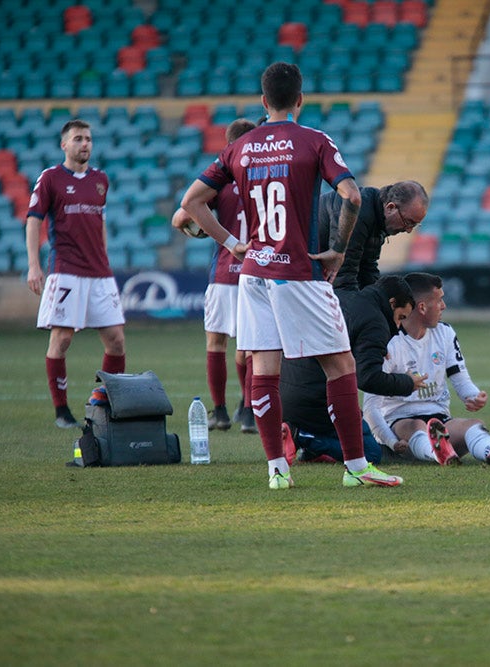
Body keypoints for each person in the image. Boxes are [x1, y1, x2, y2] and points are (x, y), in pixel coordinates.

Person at [180, 61, 402, 490]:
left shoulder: (239, 147)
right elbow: (352, 194)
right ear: (300, 100)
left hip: (253, 273)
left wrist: (230, 243)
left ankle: (276, 471)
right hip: (297, 271)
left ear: (264, 102)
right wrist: (338, 249)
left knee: (264, 367)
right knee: (341, 364)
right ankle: (357, 469)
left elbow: (192, 201)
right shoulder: (314, 141)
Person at [363, 272, 490, 466]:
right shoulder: (389, 342)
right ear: (422, 307)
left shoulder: (445, 333)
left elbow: (460, 378)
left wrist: (473, 396)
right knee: (415, 425)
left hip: (440, 421)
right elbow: (370, 407)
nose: (443, 306)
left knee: (474, 425)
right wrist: (391, 442)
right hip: (399, 423)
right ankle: (437, 452)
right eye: (440, 300)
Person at [26, 119, 126, 429]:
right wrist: (34, 264)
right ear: (64, 145)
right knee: (62, 338)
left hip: (99, 271)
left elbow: (101, 221)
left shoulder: (101, 180)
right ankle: (62, 411)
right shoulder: (51, 178)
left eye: (88, 139)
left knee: (116, 341)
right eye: (78, 139)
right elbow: (33, 220)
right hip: (66, 270)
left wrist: (104, 255)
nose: (85, 144)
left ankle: (107, 402)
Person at [280, 275, 425, 463]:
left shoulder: (343, 296)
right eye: (400, 317)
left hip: (284, 392)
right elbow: (368, 378)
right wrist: (407, 382)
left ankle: (306, 443)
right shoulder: (375, 321)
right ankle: (302, 437)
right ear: (391, 303)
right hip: (315, 401)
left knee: (344, 424)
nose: (398, 327)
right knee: (370, 453)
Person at [171, 119, 257, 434]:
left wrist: (201, 229)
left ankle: (219, 411)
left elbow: (181, 217)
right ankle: (248, 412)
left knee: (216, 342)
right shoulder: (266, 172)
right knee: (251, 346)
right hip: (258, 268)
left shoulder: (220, 178)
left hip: (225, 270)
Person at [318, 180, 429, 291]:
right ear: (390, 207)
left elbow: (367, 268)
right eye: (408, 222)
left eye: (414, 225)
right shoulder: (359, 214)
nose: (409, 230)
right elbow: (342, 275)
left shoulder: (376, 212)